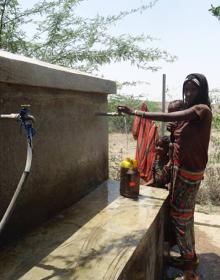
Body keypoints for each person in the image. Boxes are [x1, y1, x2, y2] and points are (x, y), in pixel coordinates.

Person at [117, 73, 212, 280]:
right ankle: (190, 259)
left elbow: (170, 116)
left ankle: (190, 273)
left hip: (188, 173)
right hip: (180, 170)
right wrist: (174, 134)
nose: (188, 93)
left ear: (202, 91)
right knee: (184, 216)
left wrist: (135, 112)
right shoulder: (191, 116)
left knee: (181, 217)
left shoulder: (201, 109)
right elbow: (181, 139)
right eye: (186, 88)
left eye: (193, 89)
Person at [132, 102, 159, 183]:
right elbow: (135, 133)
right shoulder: (150, 123)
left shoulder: (151, 125)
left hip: (143, 143)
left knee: (144, 156)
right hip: (143, 142)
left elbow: (134, 133)